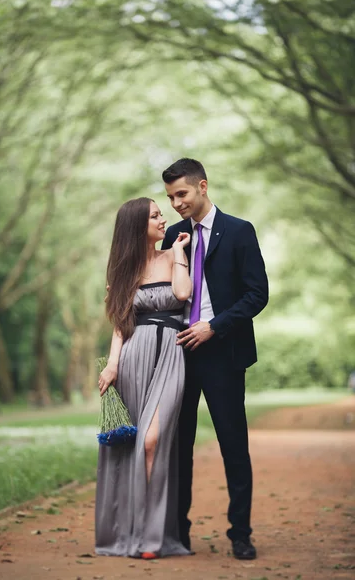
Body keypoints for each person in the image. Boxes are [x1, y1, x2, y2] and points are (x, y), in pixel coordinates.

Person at [161, 158, 269, 560]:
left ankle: (240, 533)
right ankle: (178, 532)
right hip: (178, 354)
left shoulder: (240, 231)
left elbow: (257, 294)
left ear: (202, 186)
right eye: (170, 197)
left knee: (233, 445)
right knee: (179, 446)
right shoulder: (173, 235)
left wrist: (214, 325)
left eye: (182, 194)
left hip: (224, 353)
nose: (176, 203)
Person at [95, 197, 192, 558]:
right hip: (133, 360)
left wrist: (179, 253)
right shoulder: (123, 271)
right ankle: (130, 533)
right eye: (155, 215)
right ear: (138, 225)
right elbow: (121, 325)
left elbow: (183, 293)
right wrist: (112, 365)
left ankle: (152, 536)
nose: (163, 218)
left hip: (169, 355)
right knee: (128, 447)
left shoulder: (173, 256)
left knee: (152, 440)